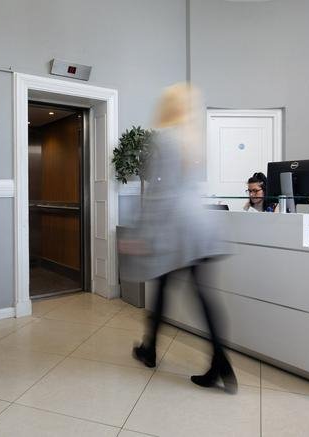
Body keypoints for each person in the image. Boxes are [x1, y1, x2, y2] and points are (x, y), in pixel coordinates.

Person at [118, 83, 237, 393]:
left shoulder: (165, 140)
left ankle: (151, 350)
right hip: (202, 223)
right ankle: (218, 362)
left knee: (164, 287)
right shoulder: (194, 140)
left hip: (176, 226)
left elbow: (159, 192)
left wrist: (139, 232)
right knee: (201, 294)